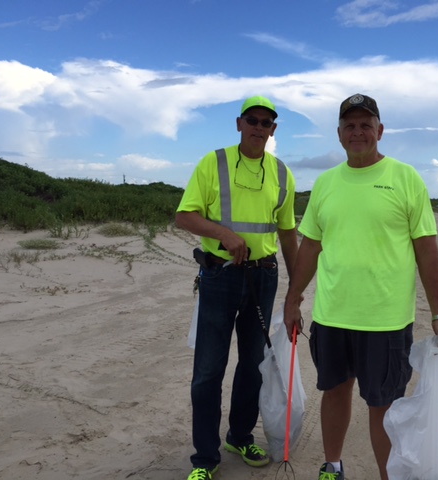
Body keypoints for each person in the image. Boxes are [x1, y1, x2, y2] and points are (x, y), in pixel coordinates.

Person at [283, 94, 438, 480]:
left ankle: (387, 475)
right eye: (350, 125)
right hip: (331, 316)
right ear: (340, 134)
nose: (357, 131)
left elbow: (427, 252)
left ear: (380, 130)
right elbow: (310, 246)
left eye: (365, 124)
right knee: (335, 392)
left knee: (384, 407)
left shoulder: (405, 178)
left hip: (386, 321)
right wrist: (293, 299)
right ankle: (333, 466)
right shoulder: (326, 184)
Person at [176, 96, 299, 480]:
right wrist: (223, 234)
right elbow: (184, 216)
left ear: (273, 130)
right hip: (220, 275)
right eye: (252, 120)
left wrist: (296, 292)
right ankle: (205, 458)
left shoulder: (282, 173)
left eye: (266, 123)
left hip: (263, 276)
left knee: (252, 366)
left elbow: (287, 233)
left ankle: (240, 436)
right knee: (209, 370)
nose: (258, 128)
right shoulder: (213, 163)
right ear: (238, 123)